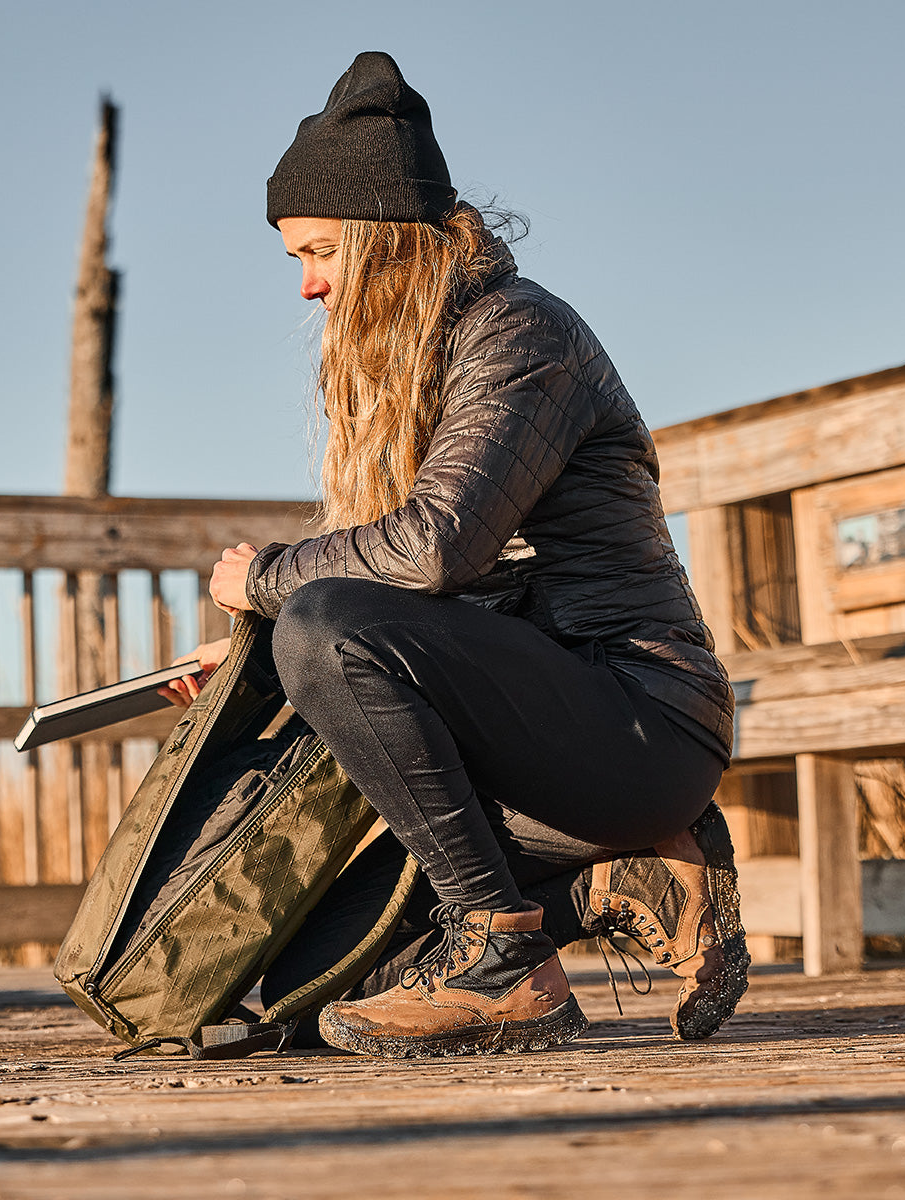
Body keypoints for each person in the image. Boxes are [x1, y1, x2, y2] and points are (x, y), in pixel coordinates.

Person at [164, 50, 747, 1059]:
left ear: (385, 240)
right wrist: (257, 661)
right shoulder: (430, 358)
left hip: (635, 719)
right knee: (309, 993)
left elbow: (433, 551)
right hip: (536, 758)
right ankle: (630, 879)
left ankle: (509, 964)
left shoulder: (521, 338)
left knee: (317, 624)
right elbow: (445, 603)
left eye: (318, 253)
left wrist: (265, 587)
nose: (305, 288)